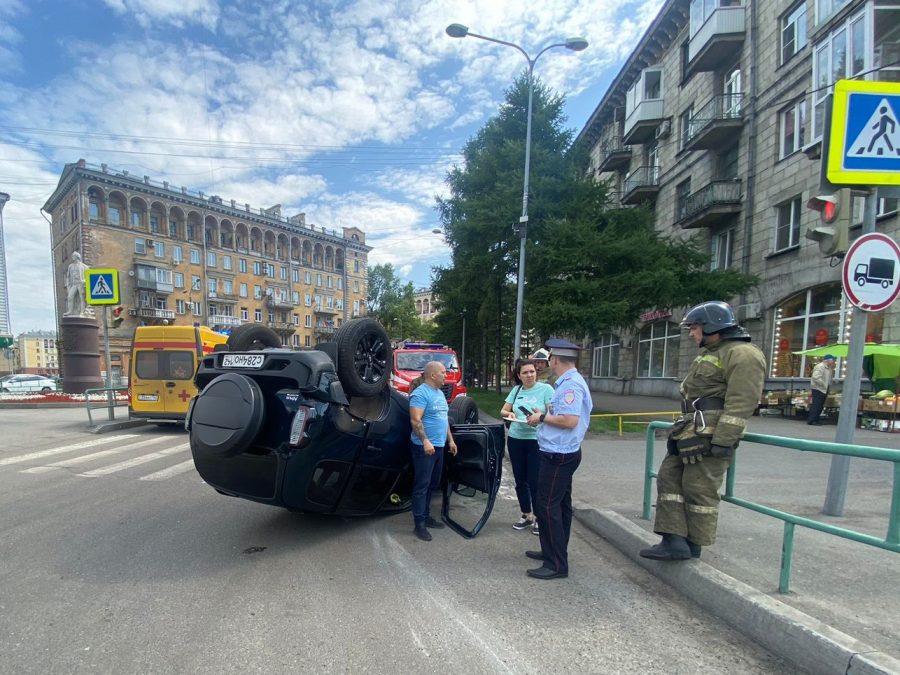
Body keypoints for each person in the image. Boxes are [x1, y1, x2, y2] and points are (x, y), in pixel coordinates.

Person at [640, 301, 766, 562]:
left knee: (698, 488)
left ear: (712, 327)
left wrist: (724, 440)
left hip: (710, 433)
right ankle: (674, 540)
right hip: (691, 428)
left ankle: (693, 543)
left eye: (695, 328)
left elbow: (742, 400)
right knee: (669, 478)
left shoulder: (743, 354)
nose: (691, 333)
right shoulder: (713, 351)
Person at [523, 339, 592, 580]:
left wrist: (542, 418)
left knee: (547, 505)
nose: (548, 362)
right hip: (561, 452)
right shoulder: (568, 382)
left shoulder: (571, 385)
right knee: (560, 505)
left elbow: (569, 421)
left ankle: (556, 564)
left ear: (556, 360)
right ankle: (553, 551)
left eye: (550, 358)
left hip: (559, 455)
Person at [500, 358, 554, 536]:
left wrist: (541, 416)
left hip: (536, 440)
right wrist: (510, 413)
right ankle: (526, 514)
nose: (530, 375)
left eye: (532, 371)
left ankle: (540, 517)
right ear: (519, 375)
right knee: (520, 479)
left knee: (535, 480)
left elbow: (553, 413)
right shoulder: (516, 390)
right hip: (516, 439)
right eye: (525, 372)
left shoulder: (546, 389)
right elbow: (503, 411)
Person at [408, 361, 458, 542]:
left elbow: (443, 419)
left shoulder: (439, 394)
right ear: (433, 375)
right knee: (422, 485)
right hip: (424, 448)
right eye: (443, 372)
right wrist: (425, 441)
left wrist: (450, 440)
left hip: (439, 446)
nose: (446, 375)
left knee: (432, 483)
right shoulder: (420, 394)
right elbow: (415, 421)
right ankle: (419, 523)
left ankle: (426, 515)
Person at [807, 354, 836, 426]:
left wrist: (830, 382)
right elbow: (815, 377)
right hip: (818, 388)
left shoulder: (828, 368)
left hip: (823, 388)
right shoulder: (820, 367)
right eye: (833, 360)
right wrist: (823, 384)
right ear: (828, 360)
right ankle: (812, 420)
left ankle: (816, 419)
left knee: (820, 405)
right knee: (816, 405)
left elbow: (827, 377)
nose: (834, 362)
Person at [64, 251, 90, 317]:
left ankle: (82, 311)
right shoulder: (70, 266)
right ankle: (70, 311)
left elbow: (88, 277)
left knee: (82, 298)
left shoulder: (84, 266)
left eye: (73, 256)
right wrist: (68, 285)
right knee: (70, 297)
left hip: (81, 283)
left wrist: (84, 281)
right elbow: (68, 276)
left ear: (77, 257)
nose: (72, 257)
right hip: (74, 284)